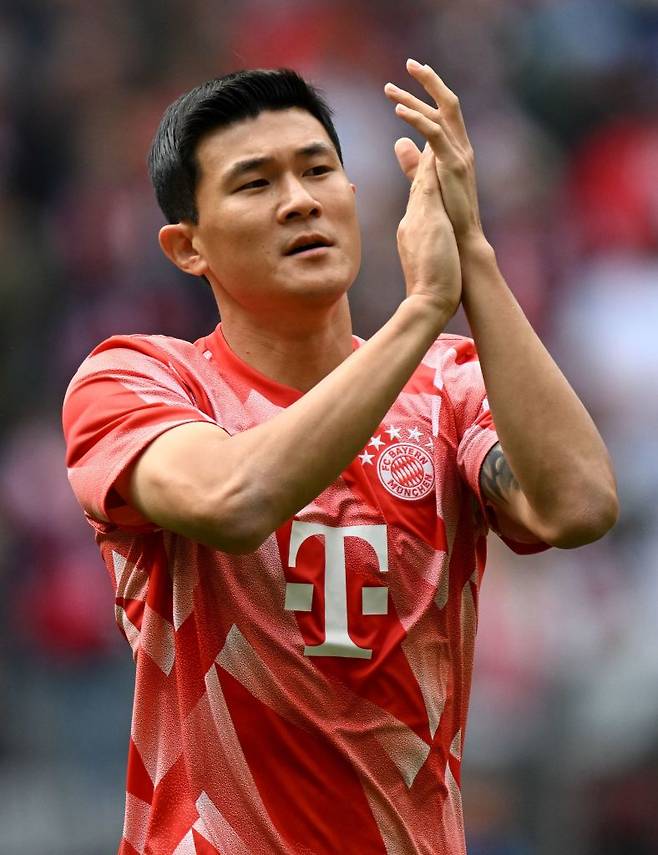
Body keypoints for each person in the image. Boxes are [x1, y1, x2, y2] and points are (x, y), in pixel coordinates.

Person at [62, 59, 618, 855]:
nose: (300, 199)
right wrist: (422, 309)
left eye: (319, 169)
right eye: (255, 183)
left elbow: (580, 505)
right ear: (188, 247)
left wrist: (473, 253)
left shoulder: (450, 387)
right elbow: (233, 499)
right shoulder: (137, 379)